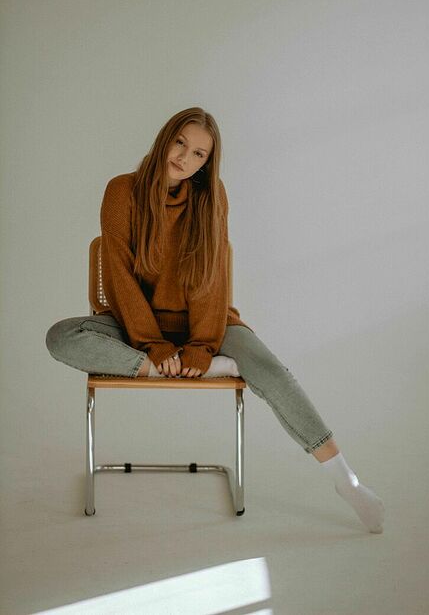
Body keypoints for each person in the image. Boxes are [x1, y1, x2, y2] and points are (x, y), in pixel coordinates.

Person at [46, 106, 385, 534]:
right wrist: (154, 345)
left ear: (207, 162)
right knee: (61, 336)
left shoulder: (211, 195)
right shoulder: (121, 191)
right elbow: (119, 278)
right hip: (137, 328)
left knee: (270, 371)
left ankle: (346, 481)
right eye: (180, 143)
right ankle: (169, 368)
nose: (184, 157)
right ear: (165, 139)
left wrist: (204, 346)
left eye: (199, 154)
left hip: (203, 324)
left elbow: (212, 276)